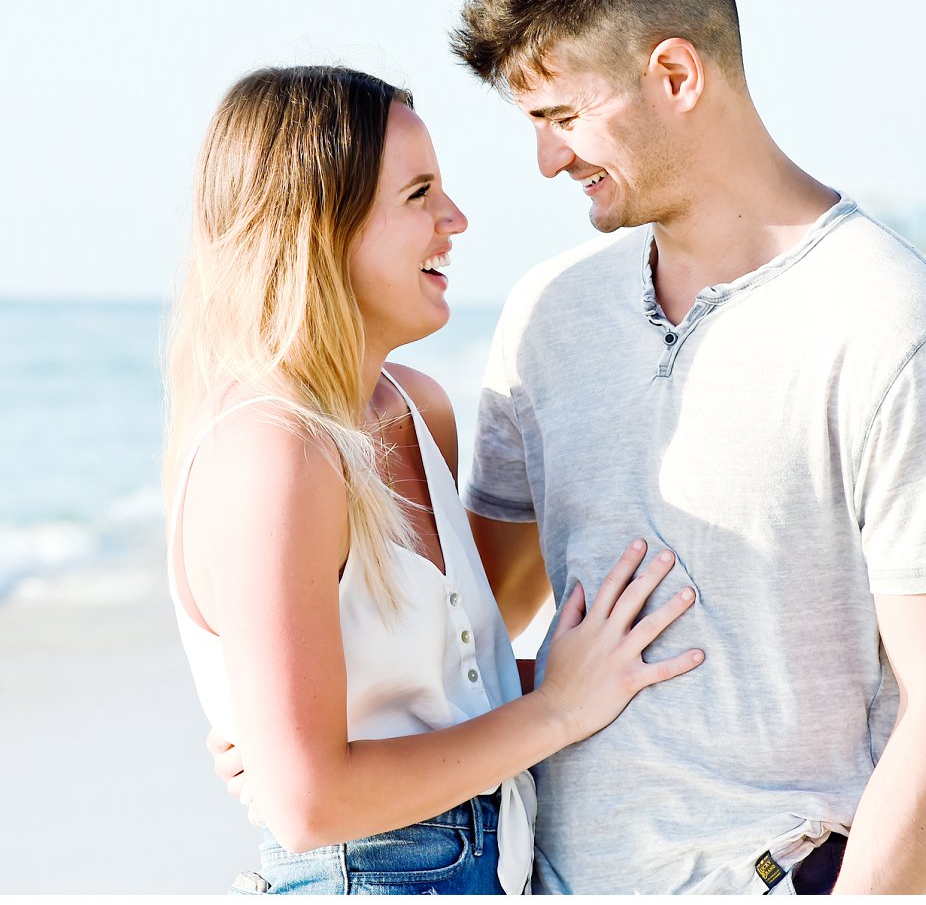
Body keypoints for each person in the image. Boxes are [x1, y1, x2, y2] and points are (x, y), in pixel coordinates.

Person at [213, 0, 926, 894]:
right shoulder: (551, 312)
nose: (548, 160)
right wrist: (318, 730)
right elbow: (475, 625)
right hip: (534, 880)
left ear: (675, 76)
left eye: (561, 118)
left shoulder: (900, 329)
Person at [162, 65, 706, 896]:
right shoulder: (273, 453)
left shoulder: (416, 408)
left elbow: (448, 683)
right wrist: (556, 709)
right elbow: (309, 804)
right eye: (419, 195)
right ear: (317, 226)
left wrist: (591, 672)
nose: (456, 220)